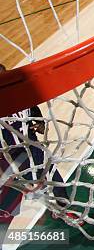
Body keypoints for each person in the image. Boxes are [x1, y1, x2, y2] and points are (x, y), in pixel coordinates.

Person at [0, 64, 82, 225]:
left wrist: (40, 126)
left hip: (35, 147)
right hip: (15, 155)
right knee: (37, 186)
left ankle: (64, 209)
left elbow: (38, 118)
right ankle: (54, 208)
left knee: (54, 178)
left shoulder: (22, 98)